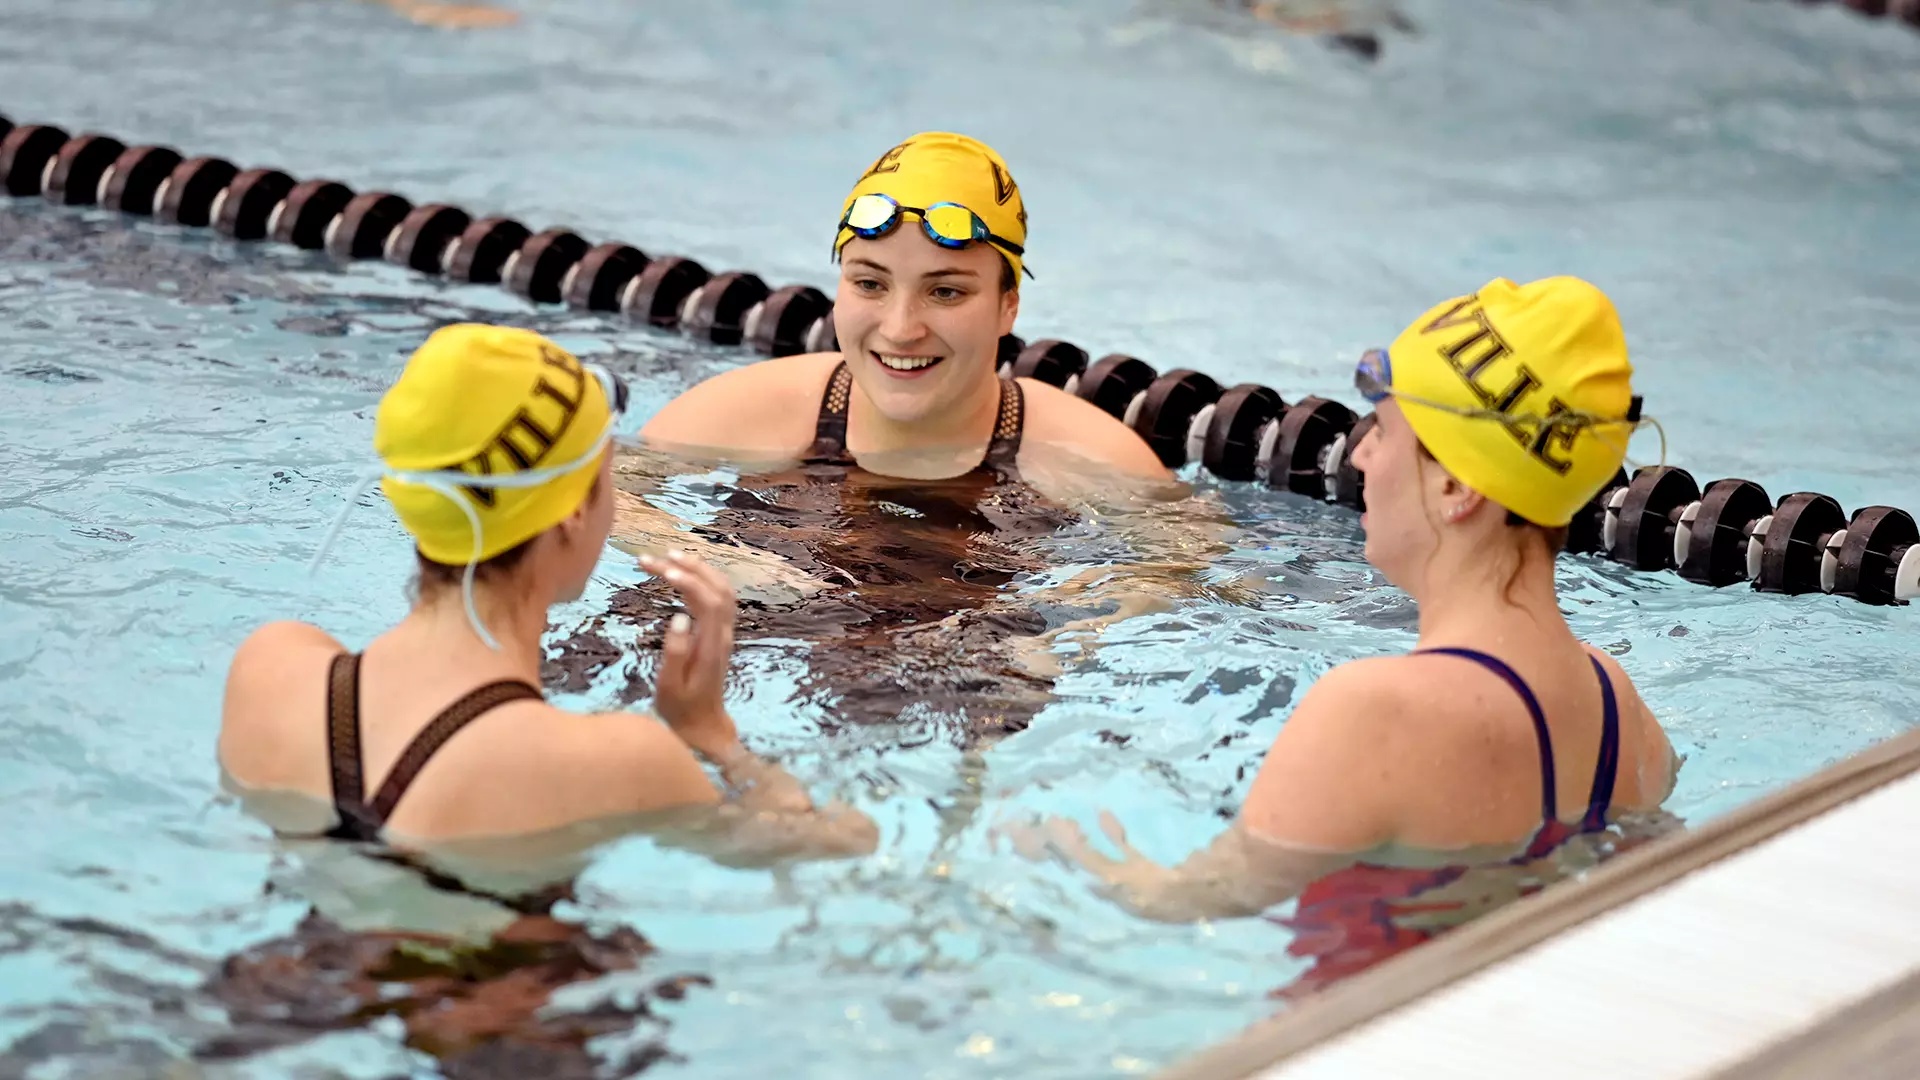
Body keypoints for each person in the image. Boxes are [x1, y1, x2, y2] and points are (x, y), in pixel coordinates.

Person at [1006, 276, 1683, 996]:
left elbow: (1187, 901)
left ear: (1458, 487)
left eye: (1384, 432)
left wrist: (1060, 856)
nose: (1360, 457)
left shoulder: (1371, 713)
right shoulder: (1622, 710)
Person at [600, 133, 1201, 745]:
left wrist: (1064, 625)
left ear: (1007, 307)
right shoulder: (755, 408)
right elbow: (592, 486)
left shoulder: (1082, 452)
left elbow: (1192, 562)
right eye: (870, 284)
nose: (900, 328)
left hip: (945, 701)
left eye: (946, 291)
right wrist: (723, 563)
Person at [217, 321, 877, 855]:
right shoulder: (613, 762)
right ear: (573, 514)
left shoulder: (272, 668)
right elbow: (834, 843)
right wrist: (712, 734)